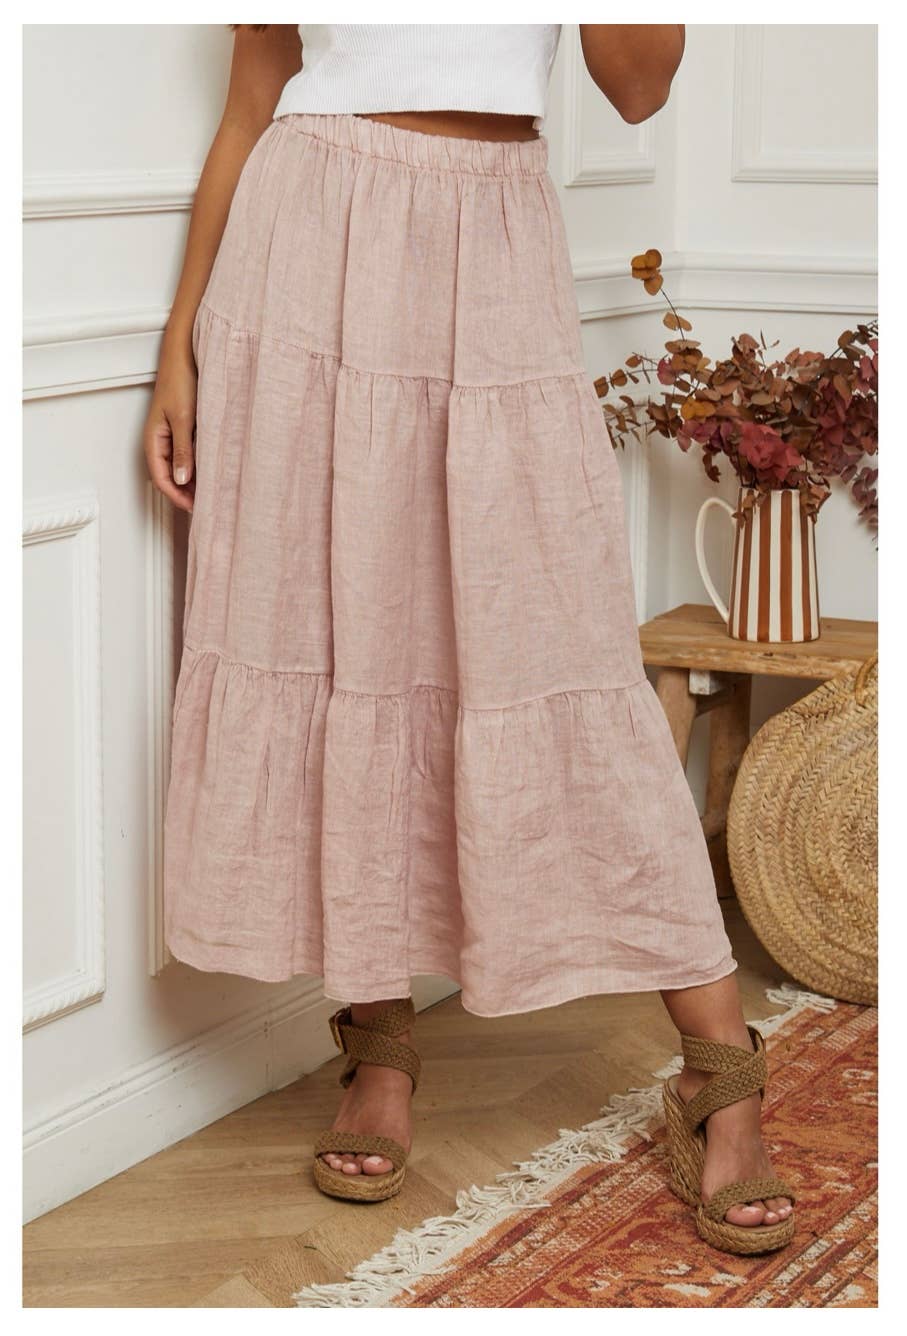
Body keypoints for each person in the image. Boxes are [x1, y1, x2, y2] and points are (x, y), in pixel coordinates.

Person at [145, 24, 794, 1253]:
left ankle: (719, 1064)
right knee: (334, 629)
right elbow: (250, 104)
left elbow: (639, 89)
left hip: (493, 237)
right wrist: (176, 346)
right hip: (301, 244)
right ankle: (378, 1043)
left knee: (555, 640)